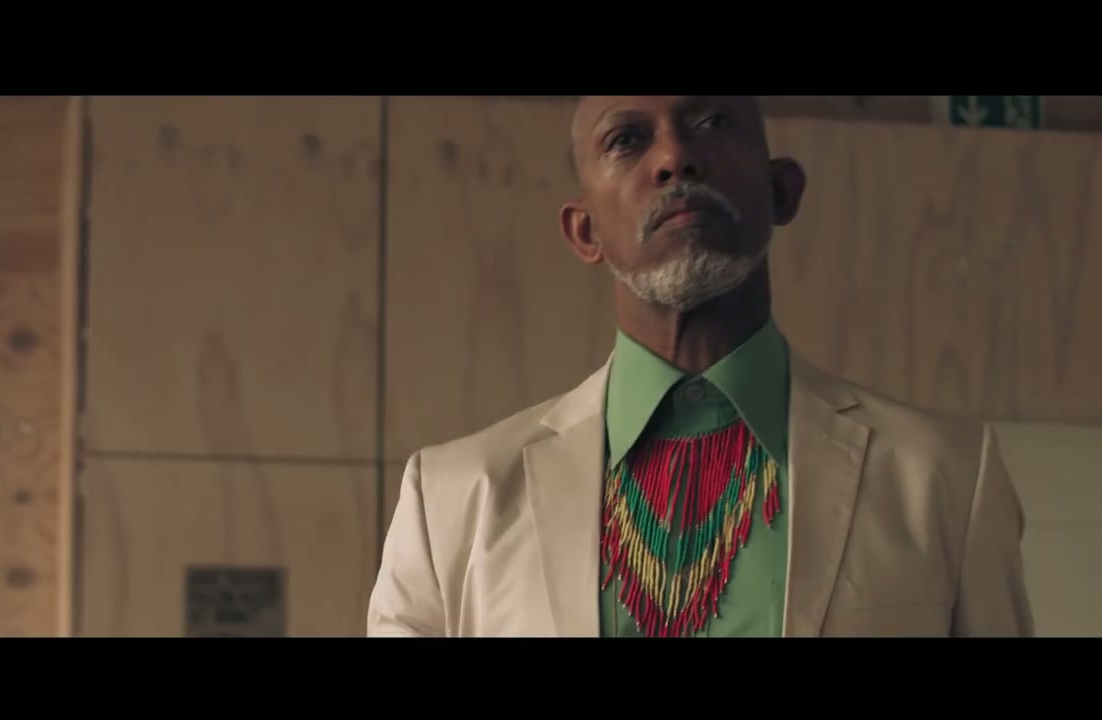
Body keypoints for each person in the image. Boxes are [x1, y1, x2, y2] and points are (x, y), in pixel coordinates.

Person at [367, 95, 1035, 637]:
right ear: (585, 231)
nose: (675, 158)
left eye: (712, 121)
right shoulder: (452, 500)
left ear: (781, 191)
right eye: (626, 139)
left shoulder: (945, 478)